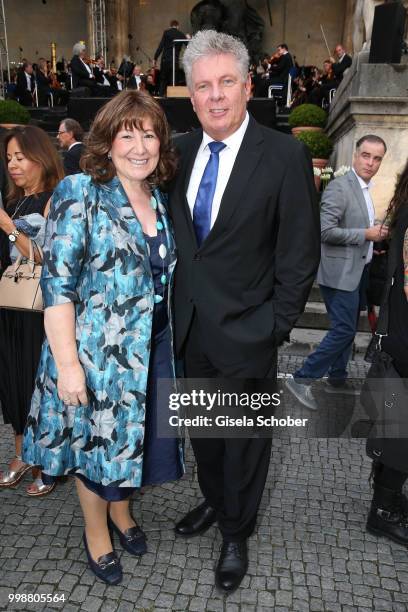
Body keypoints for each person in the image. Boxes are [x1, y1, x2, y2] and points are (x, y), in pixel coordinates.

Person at [169, 30, 320, 592]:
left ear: (247, 85)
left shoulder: (284, 155)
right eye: (203, 85)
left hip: (250, 332)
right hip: (190, 331)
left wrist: (274, 327)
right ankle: (214, 502)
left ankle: (237, 530)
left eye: (225, 82)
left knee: (245, 443)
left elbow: (300, 254)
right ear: (190, 92)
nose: (214, 96)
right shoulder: (176, 153)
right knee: (206, 435)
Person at [23, 90, 183, 585]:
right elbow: (58, 287)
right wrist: (68, 365)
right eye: (127, 134)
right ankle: (97, 533)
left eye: (149, 134)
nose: (139, 146)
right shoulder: (80, 191)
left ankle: (122, 512)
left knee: (133, 442)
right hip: (96, 357)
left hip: (152, 350)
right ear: (107, 143)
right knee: (94, 449)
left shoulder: (157, 197)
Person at [286, 135, 389, 410]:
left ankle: (338, 376)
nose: (370, 162)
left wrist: (374, 236)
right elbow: (324, 231)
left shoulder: (365, 189)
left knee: (347, 327)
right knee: (343, 330)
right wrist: (366, 234)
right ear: (355, 156)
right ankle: (301, 378)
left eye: (377, 158)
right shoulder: (340, 188)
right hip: (339, 272)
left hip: (358, 271)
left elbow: (356, 228)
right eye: (366, 155)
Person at [0, 126, 64, 496]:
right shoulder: (13, 202)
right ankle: (22, 452)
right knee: (11, 380)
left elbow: (45, 256)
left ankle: (49, 461)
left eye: (20, 157)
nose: (13, 165)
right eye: (9, 158)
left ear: (41, 157)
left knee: (38, 383)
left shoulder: (53, 199)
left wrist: (8, 228)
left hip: (39, 308)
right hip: (10, 305)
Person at [364, 158, 408, 546]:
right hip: (405, 340)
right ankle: (384, 510)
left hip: (399, 337)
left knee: (396, 427)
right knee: (401, 431)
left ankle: (388, 502)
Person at [154, 19, 187, 96]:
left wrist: (155, 58)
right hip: (174, 61)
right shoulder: (181, 34)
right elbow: (189, 45)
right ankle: (173, 98)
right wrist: (188, 38)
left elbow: (161, 46)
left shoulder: (166, 33)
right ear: (178, 26)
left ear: (170, 25)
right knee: (174, 80)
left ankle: (161, 97)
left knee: (163, 80)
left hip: (165, 60)